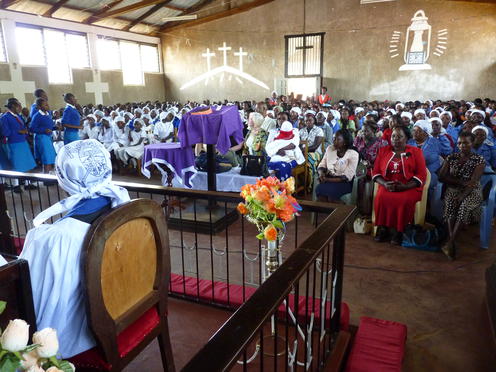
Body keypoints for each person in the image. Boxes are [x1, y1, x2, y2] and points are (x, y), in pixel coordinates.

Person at [20, 139, 130, 358]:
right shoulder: (126, 205)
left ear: (64, 178)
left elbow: (28, 296)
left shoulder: (56, 238)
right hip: (124, 309)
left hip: (74, 336)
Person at [372, 126, 427, 245]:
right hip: (388, 184)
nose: (396, 139)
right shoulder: (383, 150)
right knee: (381, 197)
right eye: (393, 136)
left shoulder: (416, 152)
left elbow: (422, 174)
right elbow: (375, 172)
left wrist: (405, 187)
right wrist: (385, 183)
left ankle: (399, 230)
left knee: (403, 199)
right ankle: (383, 228)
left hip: (409, 186)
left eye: (400, 136)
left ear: (407, 138)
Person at [438, 131, 485, 259]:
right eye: (459, 143)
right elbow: (442, 176)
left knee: (464, 205)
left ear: (472, 143)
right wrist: (459, 182)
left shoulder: (478, 160)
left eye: (466, 143)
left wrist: (463, 195)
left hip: (472, 191)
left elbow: (473, 182)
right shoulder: (451, 157)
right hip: (453, 189)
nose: (462, 145)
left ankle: (450, 242)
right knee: (450, 204)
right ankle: (451, 242)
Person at [0, 98, 37, 193]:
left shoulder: (18, 116)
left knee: (27, 163)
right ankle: (16, 185)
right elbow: (5, 132)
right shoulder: (5, 117)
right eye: (19, 106)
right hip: (14, 143)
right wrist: (18, 132)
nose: (21, 108)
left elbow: (23, 127)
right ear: (13, 107)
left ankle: (27, 183)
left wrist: (24, 133)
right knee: (16, 164)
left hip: (22, 142)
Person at [316, 129, 359, 202]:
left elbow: (347, 176)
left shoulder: (353, 154)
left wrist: (327, 179)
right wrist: (321, 174)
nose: (334, 141)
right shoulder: (330, 149)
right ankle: (329, 211)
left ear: (345, 142)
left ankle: (342, 211)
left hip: (344, 183)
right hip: (328, 179)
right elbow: (322, 164)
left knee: (331, 194)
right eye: (334, 138)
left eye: (338, 139)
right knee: (320, 190)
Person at [408, 119, 441, 192]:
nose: (414, 133)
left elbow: (426, 158)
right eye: (414, 130)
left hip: (430, 173)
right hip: (412, 173)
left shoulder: (434, 142)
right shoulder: (410, 142)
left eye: (418, 131)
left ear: (426, 133)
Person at [30, 98, 56, 173]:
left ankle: (49, 176)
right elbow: (32, 128)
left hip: (47, 138)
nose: (48, 106)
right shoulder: (37, 116)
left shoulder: (48, 114)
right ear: (39, 106)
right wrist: (44, 130)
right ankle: (46, 179)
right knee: (46, 159)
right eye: (45, 105)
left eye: (47, 104)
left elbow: (48, 126)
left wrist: (55, 127)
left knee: (50, 158)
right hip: (41, 138)